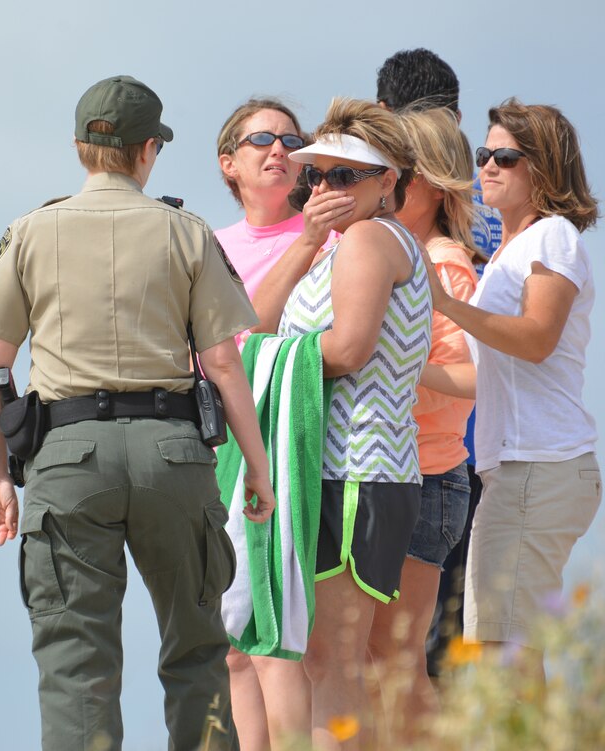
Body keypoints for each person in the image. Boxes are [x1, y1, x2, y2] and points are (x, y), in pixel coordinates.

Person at [0, 75, 276, 751]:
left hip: (67, 458)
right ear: (147, 152)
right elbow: (222, 362)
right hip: (172, 454)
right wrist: (257, 466)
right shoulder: (186, 232)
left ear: (80, 147)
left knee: (77, 662)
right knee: (197, 650)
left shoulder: (30, 232)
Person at [251, 98, 430, 749]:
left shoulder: (369, 239)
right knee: (323, 658)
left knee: (333, 659)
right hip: (337, 466)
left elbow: (349, 348)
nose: (325, 189)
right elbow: (253, 322)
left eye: (344, 176)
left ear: (389, 181)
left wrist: (262, 361)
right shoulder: (335, 244)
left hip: (356, 468)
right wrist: (302, 239)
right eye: (317, 176)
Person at [426, 99, 600, 695]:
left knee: (505, 648)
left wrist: (447, 305)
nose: (487, 167)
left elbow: (534, 341)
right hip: (522, 471)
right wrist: (408, 372)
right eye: (483, 155)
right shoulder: (508, 253)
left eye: (505, 156)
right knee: (500, 644)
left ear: (544, 167)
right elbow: (487, 378)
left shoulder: (551, 237)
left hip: (540, 466)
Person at [375, 46, 501, 675]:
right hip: (481, 448)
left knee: (409, 659)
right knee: (449, 649)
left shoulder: (395, 206)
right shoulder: (499, 197)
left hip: (435, 454)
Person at [214, 97, 330, 751]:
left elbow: (248, 330)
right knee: (232, 643)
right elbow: (213, 346)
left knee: (278, 630)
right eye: (262, 139)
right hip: (221, 447)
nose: (280, 149)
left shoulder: (329, 237)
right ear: (228, 163)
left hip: (289, 445)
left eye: (293, 139)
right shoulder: (209, 247)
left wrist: (312, 238)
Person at [365, 106, 480, 743]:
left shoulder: (443, 264)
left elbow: (468, 380)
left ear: (431, 184)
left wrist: (396, 368)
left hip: (425, 479)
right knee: (372, 661)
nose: (382, 183)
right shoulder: (400, 254)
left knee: (398, 665)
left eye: (395, 173)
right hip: (398, 477)